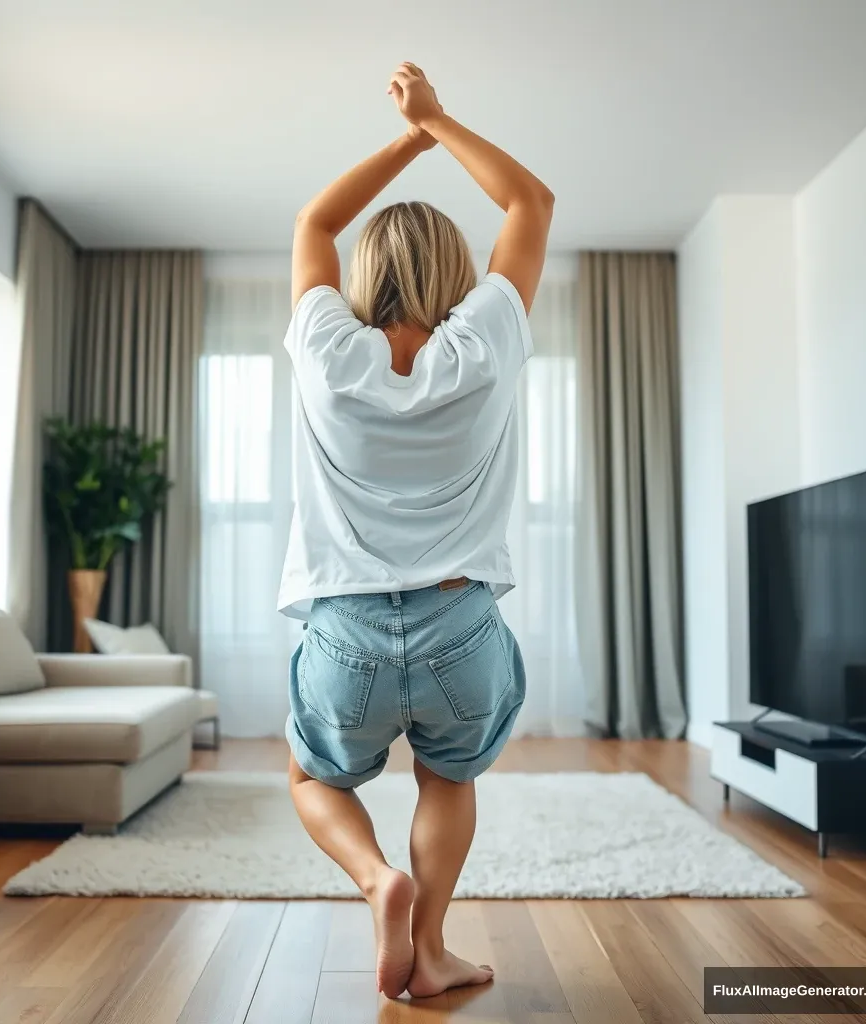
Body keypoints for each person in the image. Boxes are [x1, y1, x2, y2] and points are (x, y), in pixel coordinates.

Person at [278, 62, 554, 1000]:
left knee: (314, 779)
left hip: (344, 632)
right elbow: (530, 199)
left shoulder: (324, 347)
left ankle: (375, 880)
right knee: (448, 779)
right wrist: (441, 122)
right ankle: (429, 946)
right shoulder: (484, 343)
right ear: (456, 273)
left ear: (363, 273)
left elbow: (314, 223)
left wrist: (404, 137)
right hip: (459, 629)